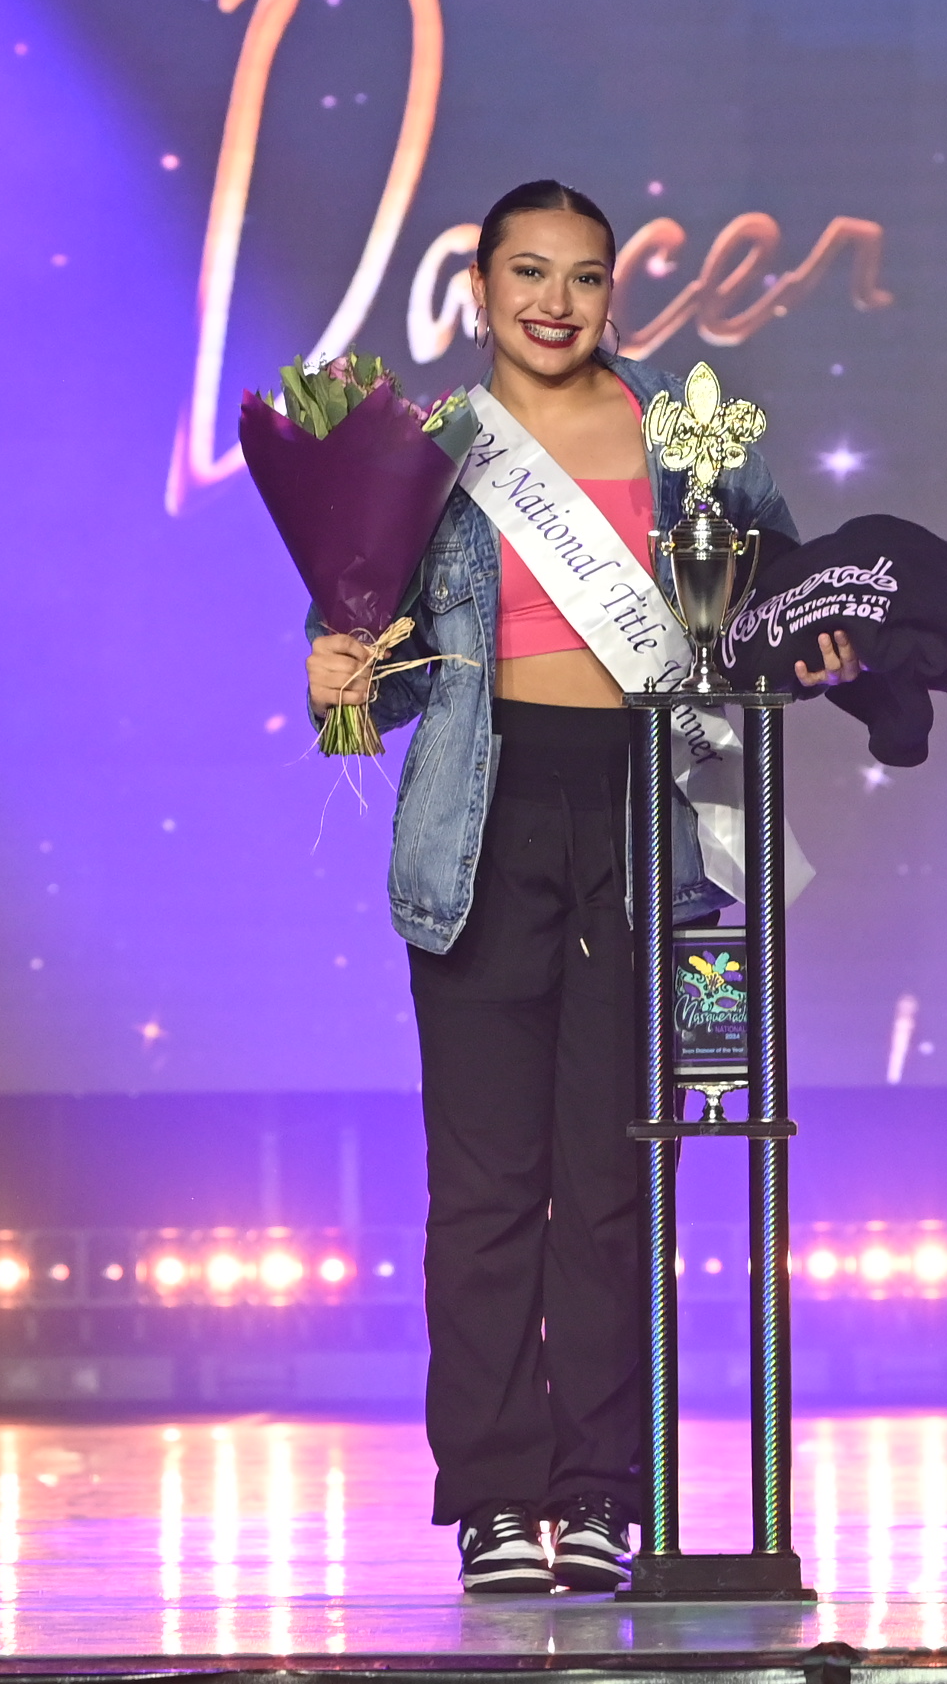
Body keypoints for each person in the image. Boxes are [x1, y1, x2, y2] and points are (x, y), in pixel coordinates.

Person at [303, 181, 860, 1596]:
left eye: (586, 276)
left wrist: (818, 649)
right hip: (483, 820)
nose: (556, 302)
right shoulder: (427, 450)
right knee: (486, 1186)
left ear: (616, 292)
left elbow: (770, 613)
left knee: (616, 1183)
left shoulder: (691, 438)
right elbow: (379, 662)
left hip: (647, 812)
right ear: (480, 288)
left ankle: (602, 1492)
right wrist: (339, 669)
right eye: (529, 272)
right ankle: (496, 1497)